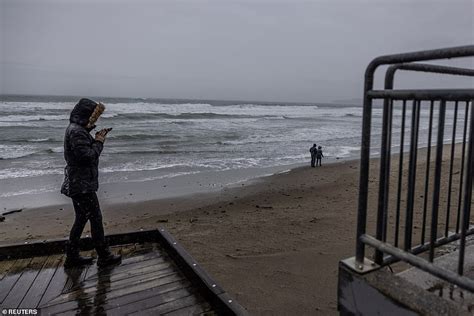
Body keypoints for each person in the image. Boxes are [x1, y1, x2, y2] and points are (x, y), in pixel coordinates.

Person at [61, 98, 121, 268]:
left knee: (81, 218)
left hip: (78, 182)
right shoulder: (77, 132)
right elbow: (87, 156)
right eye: (92, 117)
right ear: (85, 115)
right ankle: (104, 256)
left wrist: (94, 136)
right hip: (82, 184)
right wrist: (99, 142)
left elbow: (82, 151)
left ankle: (72, 256)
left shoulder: (76, 129)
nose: (94, 120)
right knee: (95, 218)